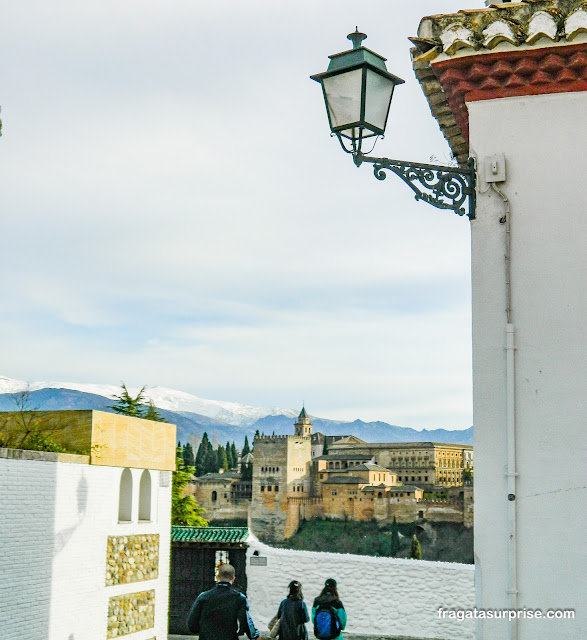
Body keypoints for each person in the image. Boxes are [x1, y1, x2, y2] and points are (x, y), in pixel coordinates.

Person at [186, 563, 260, 640]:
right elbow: (246, 622)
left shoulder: (203, 597)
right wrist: (254, 635)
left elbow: (191, 624)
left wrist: (204, 631)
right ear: (233, 579)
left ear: (218, 577)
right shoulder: (239, 598)